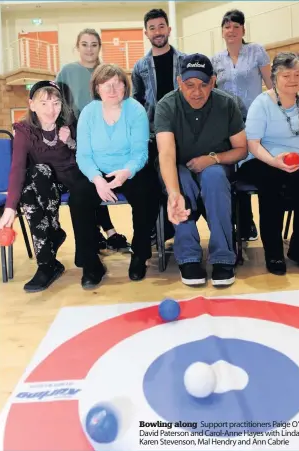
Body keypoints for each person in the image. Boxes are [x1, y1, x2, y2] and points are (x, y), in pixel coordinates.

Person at [238, 52, 299, 275]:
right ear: (274, 78)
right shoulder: (262, 103)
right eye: (286, 75)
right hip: (262, 159)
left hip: (298, 163)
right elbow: (252, 143)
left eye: (298, 74)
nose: (293, 79)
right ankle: (274, 255)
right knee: (272, 183)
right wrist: (274, 161)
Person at [155, 53, 247, 287]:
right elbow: (165, 154)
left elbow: (241, 149)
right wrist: (174, 194)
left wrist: (213, 159)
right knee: (180, 180)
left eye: (204, 85)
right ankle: (188, 257)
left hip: (214, 167)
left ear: (213, 81)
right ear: (179, 83)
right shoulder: (166, 105)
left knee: (215, 177)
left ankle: (223, 257)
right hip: (178, 166)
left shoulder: (227, 104)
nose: (197, 92)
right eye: (190, 85)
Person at [73, 63, 159, 288]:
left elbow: (140, 152)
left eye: (117, 84)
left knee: (147, 191)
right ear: (97, 88)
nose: (112, 89)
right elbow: (83, 155)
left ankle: (140, 255)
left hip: (130, 169)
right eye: (106, 84)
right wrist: (97, 179)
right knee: (79, 197)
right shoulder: (89, 112)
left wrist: (126, 173)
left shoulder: (135, 110)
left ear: (125, 86)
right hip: (97, 171)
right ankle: (91, 265)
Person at [0, 81, 79, 292]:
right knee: (35, 177)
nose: (51, 110)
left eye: (56, 103)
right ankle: (48, 257)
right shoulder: (24, 131)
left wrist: (70, 142)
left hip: (68, 183)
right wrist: (10, 208)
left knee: (38, 175)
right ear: (32, 105)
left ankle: (46, 262)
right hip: (41, 185)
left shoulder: (69, 124)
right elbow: (17, 169)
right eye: (44, 104)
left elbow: (84, 158)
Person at [56, 28, 130, 254]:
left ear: (100, 47)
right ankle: (105, 233)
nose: (89, 49)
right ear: (77, 47)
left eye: (94, 44)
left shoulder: (107, 72)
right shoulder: (67, 71)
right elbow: (55, 99)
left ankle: (106, 232)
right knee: (87, 184)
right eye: (85, 44)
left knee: (100, 181)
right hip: (76, 139)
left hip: (105, 139)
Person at [212, 9, 273, 242]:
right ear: (222, 31)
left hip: (256, 122)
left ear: (243, 30)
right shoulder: (216, 60)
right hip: (230, 124)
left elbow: (270, 85)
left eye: (236, 26)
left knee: (255, 170)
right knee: (233, 172)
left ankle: (262, 221)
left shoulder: (256, 51)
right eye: (227, 26)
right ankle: (244, 223)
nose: (231, 30)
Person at [131, 8, 185, 243]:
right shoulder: (139, 67)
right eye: (152, 28)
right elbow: (137, 101)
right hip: (154, 133)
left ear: (169, 29)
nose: (157, 31)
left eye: (161, 26)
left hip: (182, 131)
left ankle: (180, 226)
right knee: (153, 179)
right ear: (146, 33)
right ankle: (159, 227)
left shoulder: (184, 61)